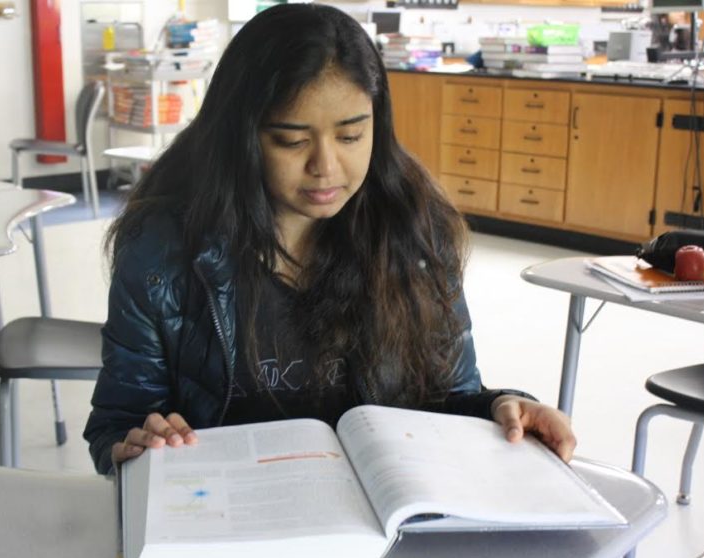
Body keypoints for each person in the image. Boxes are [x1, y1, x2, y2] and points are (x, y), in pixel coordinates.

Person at [83, 3, 576, 476]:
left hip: (381, 522)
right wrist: (139, 441)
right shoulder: (163, 250)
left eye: (350, 136)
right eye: (292, 141)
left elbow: (449, 397)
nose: (326, 167)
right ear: (240, 137)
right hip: (229, 516)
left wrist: (501, 407)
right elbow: (117, 424)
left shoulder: (414, 231)